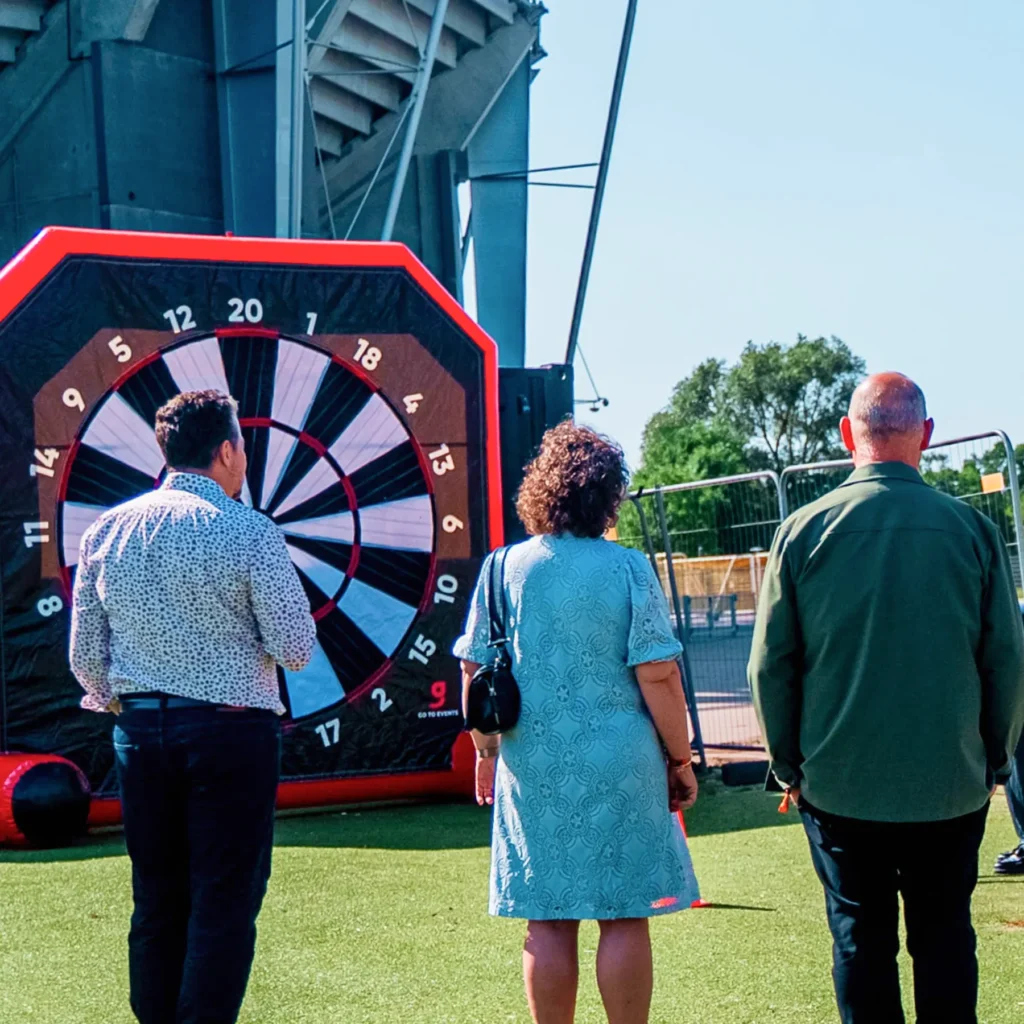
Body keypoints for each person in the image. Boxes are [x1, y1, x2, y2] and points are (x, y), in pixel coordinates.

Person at [749, 372, 1024, 1024]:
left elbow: (770, 668)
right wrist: (995, 757)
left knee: (859, 941)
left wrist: (787, 765)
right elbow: (1008, 663)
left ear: (848, 434)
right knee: (946, 937)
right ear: (926, 435)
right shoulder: (972, 532)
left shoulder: (802, 531)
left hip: (838, 784)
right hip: (949, 781)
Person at [69, 390, 316, 1024]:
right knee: (224, 899)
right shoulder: (248, 530)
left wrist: (120, 700)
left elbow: (84, 659)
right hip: (231, 733)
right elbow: (294, 649)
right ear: (228, 450)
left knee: (156, 896)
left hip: (139, 732)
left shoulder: (107, 529)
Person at [454, 421, 700, 1024]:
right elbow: (658, 675)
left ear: (539, 490)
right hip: (623, 760)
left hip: (532, 760)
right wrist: (681, 758)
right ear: (608, 496)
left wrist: (486, 752)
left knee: (547, 913)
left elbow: (475, 673)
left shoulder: (501, 567)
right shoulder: (628, 568)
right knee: (624, 912)